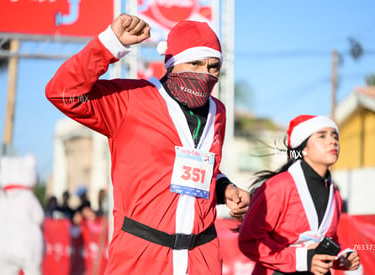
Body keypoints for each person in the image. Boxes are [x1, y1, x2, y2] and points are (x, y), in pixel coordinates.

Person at [46, 13, 249, 275]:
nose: (206, 74)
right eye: (195, 63)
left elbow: (204, 166)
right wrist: (110, 44)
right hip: (141, 257)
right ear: (172, 63)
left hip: (202, 258)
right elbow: (63, 92)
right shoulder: (131, 99)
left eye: (213, 67)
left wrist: (225, 188)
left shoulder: (217, 111)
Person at [238, 115, 360, 275]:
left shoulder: (335, 194)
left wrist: (342, 256)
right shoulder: (278, 186)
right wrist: (303, 259)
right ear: (304, 149)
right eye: (322, 136)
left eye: (335, 136)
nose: (333, 141)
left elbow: (327, 240)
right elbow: (249, 240)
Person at [0, 155, 45, 275]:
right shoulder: (27, 196)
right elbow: (39, 217)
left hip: (3, 246)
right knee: (33, 270)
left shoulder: (2, 196)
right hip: (26, 246)